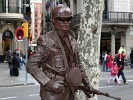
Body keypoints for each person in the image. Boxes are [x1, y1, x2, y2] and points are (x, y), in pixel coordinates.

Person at [26, 4, 94, 100]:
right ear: (53, 20)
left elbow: (78, 65)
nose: (66, 22)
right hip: (52, 95)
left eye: (69, 19)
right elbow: (31, 65)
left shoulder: (72, 39)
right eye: (62, 19)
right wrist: (49, 84)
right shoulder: (46, 40)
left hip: (71, 92)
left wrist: (87, 83)